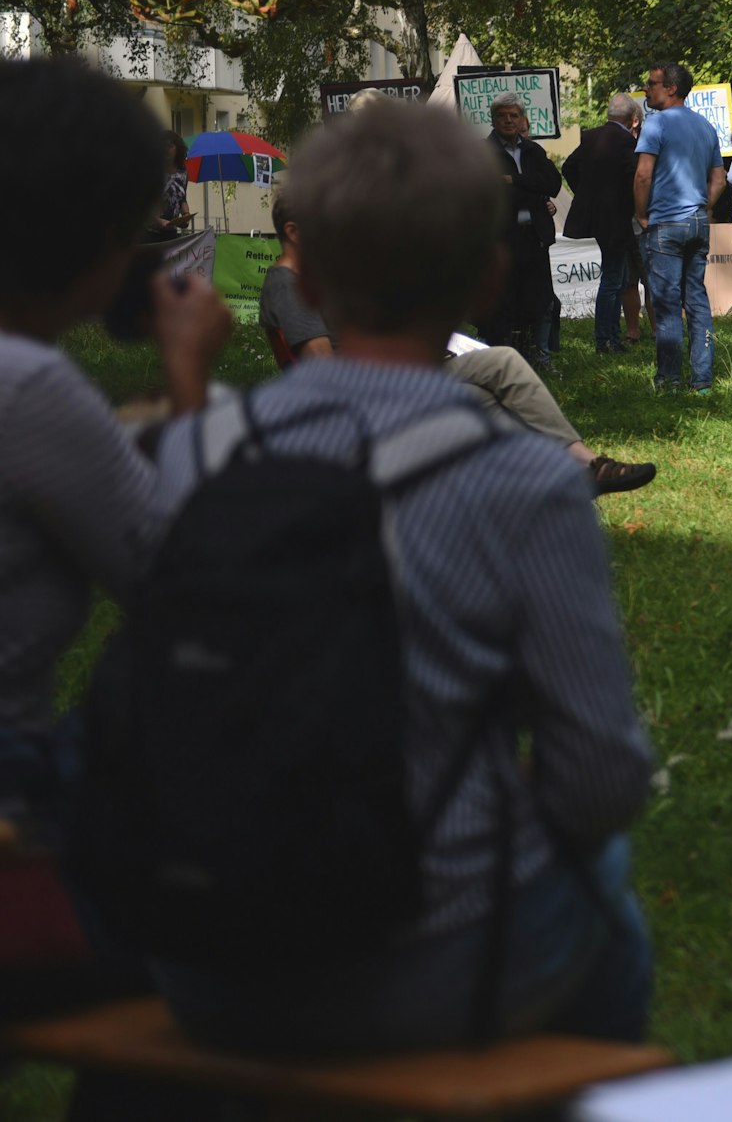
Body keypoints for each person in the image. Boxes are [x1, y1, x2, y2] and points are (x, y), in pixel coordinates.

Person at [148, 98, 658, 1054]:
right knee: (609, 895)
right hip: (424, 963)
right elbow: (596, 780)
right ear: (490, 272)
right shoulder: (524, 480)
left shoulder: (201, 452)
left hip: (202, 957)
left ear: (308, 265)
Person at [1, 58, 230, 1118]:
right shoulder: (32, 384)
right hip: (17, 821)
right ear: (89, 238)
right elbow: (180, 582)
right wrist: (189, 387)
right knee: (223, 960)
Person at [258, 187, 656, 495]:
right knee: (486, 394)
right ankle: (565, 478)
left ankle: (583, 467)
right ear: (294, 232)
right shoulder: (287, 285)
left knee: (500, 369)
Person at [634, 60, 726, 392]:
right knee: (697, 300)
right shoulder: (705, 126)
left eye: (651, 83)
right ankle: (702, 380)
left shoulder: (655, 124)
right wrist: (703, 206)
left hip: (665, 223)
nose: (647, 89)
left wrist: (642, 215)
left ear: (671, 88)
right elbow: (719, 179)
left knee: (667, 302)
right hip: (698, 223)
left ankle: (669, 380)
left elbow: (643, 174)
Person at [482, 93, 563, 368]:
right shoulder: (484, 152)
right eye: (502, 115)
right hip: (502, 239)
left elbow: (552, 183)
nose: (508, 120)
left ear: (521, 120)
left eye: (513, 115)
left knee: (541, 301)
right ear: (493, 119)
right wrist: (530, 189)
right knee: (503, 302)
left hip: (535, 237)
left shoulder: (532, 151)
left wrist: (514, 180)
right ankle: (504, 360)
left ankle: (541, 356)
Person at [564, 93, 644, 354]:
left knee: (618, 277)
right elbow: (635, 177)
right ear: (633, 119)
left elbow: (568, 167)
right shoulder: (626, 141)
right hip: (618, 217)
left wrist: (587, 194)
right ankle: (605, 339)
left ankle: (612, 336)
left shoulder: (590, 137)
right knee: (612, 279)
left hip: (595, 217)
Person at [144, 130, 193, 241]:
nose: (165, 149)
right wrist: (157, 220)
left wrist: (186, 215)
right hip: (149, 233)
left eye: (170, 146)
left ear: (178, 149)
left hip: (171, 233)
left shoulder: (183, 172)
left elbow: (182, 199)